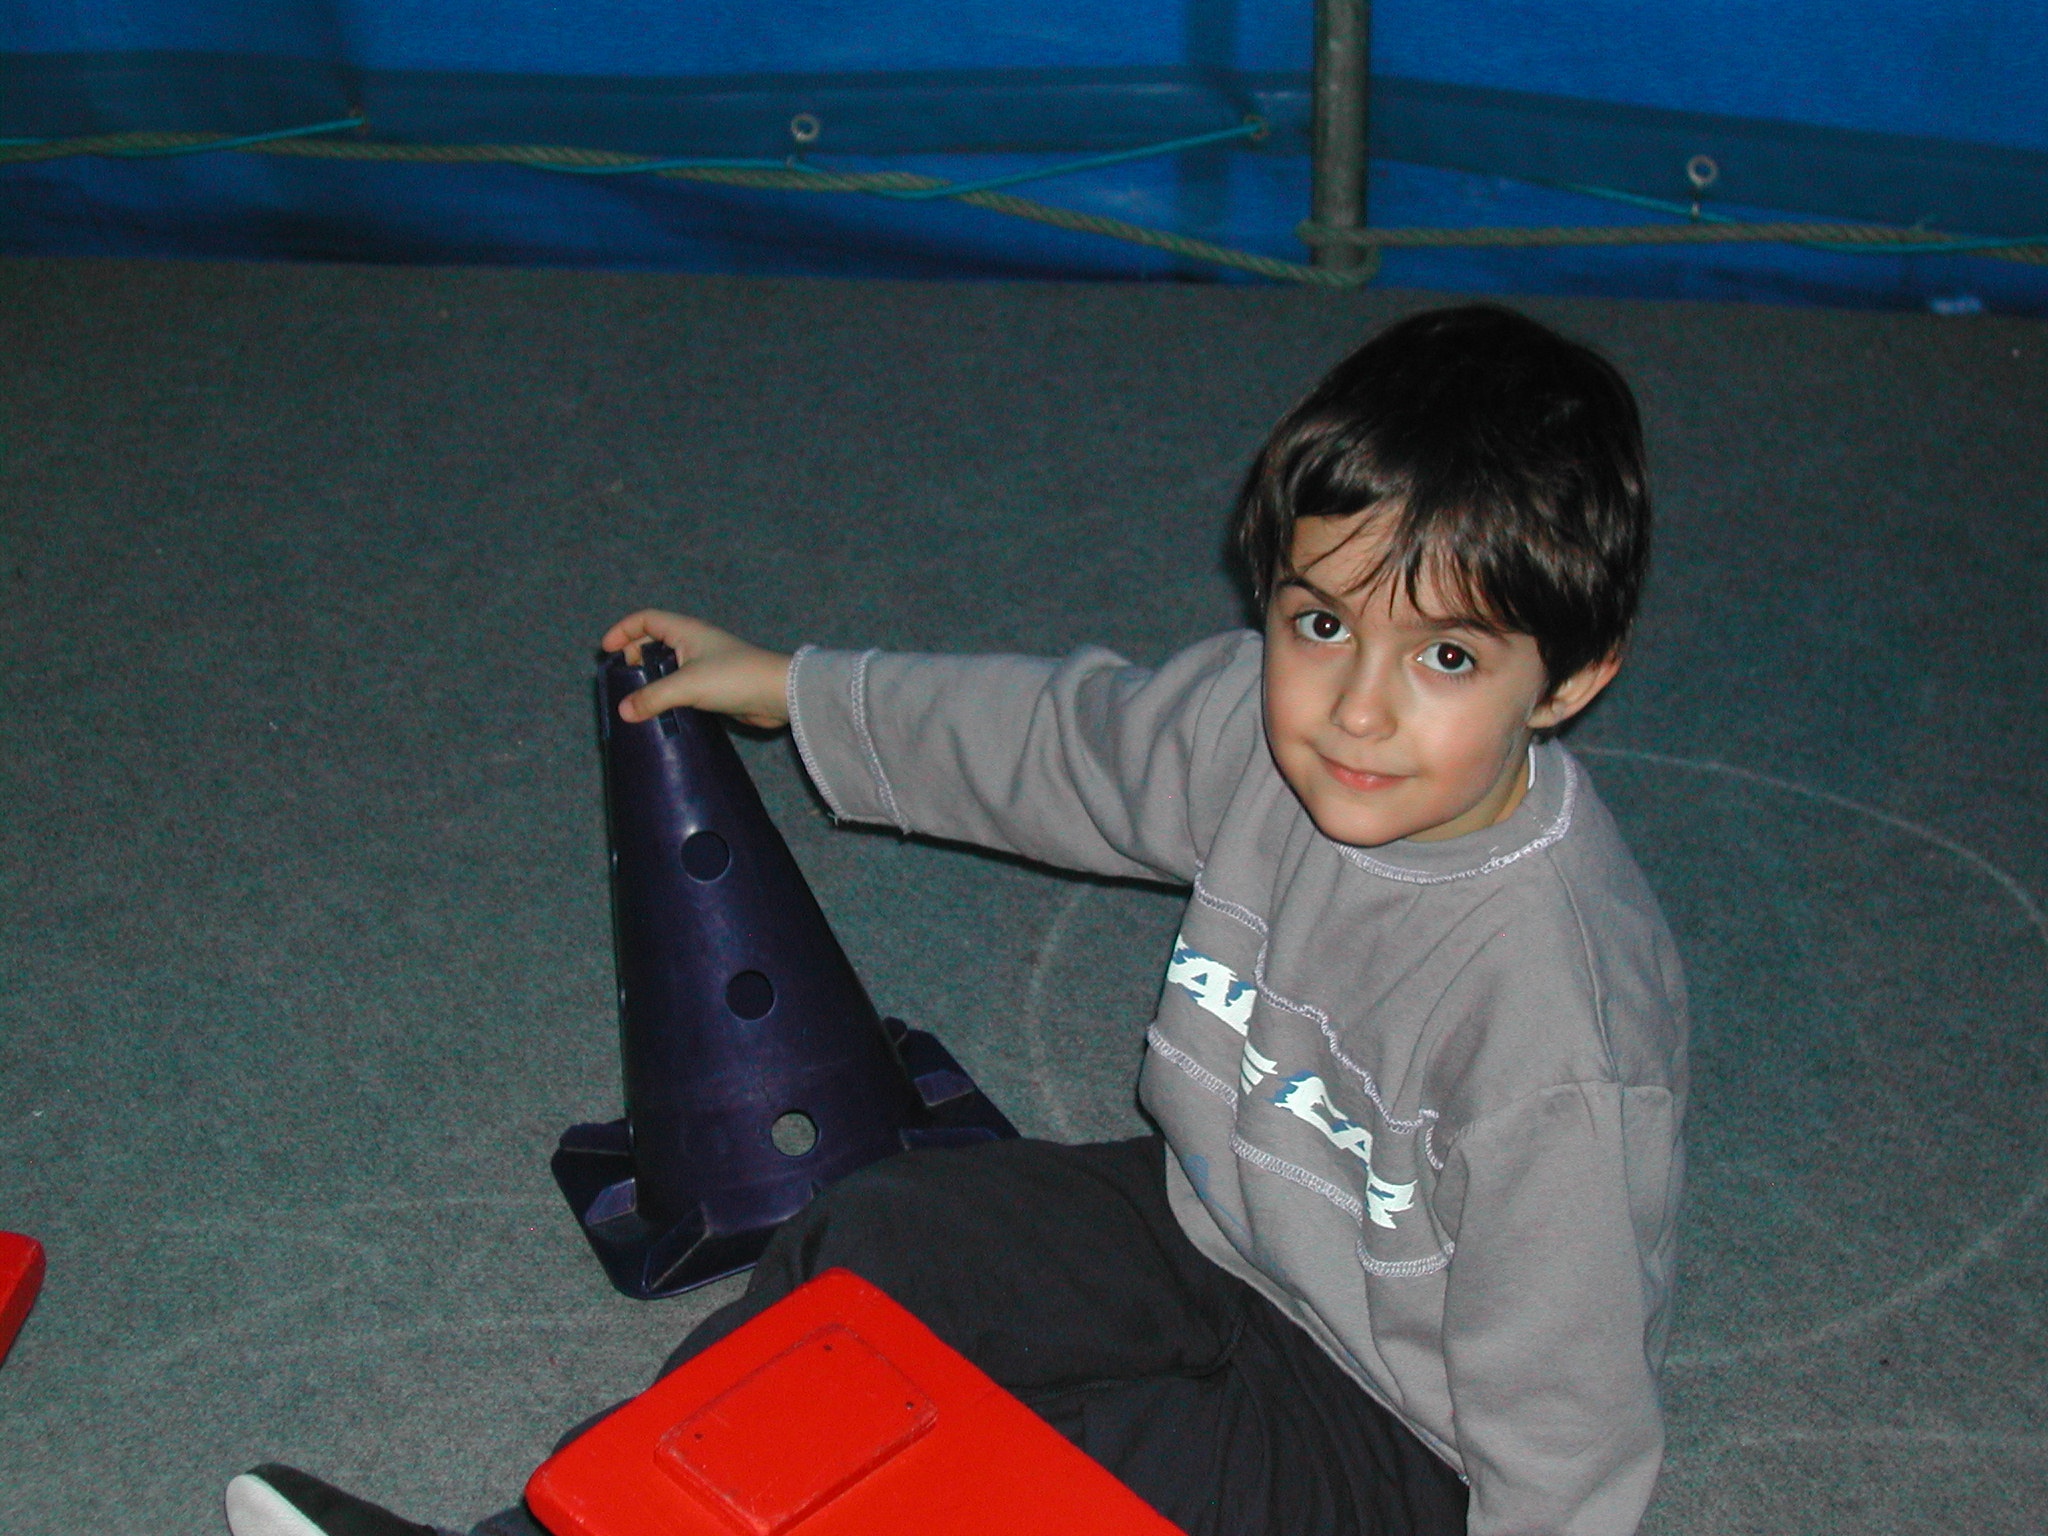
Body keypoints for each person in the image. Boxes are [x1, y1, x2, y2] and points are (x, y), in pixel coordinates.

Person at [225, 303, 1687, 1536]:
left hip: (1400, 1437)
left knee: (1011, 1482)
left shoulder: (1555, 1026)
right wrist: (798, 688)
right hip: (1216, 1223)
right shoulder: (1257, 732)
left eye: (1446, 656)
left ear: (1571, 678)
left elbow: (1566, 1411)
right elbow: (1059, 744)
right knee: (881, 1245)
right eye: (1320, 623)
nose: (1356, 708)